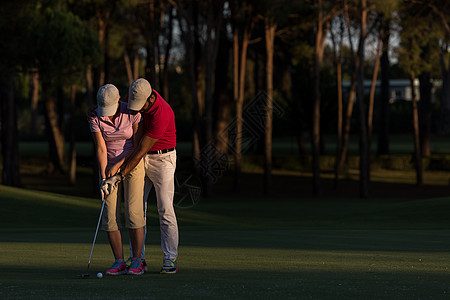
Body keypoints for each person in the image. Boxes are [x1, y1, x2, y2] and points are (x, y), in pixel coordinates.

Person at [102, 78, 178, 274]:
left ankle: (170, 259)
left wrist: (119, 175)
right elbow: (117, 106)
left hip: (163, 160)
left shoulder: (163, 113)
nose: (136, 110)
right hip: (142, 159)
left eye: (140, 106)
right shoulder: (135, 98)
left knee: (165, 210)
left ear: (150, 98)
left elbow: (140, 148)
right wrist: (97, 108)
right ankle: (138, 259)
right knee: (136, 210)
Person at [89, 84, 146, 276]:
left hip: (132, 165)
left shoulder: (132, 112)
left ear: (119, 99)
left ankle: (137, 261)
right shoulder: (95, 115)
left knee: (133, 213)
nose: (107, 114)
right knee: (109, 217)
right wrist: (104, 175)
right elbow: (101, 148)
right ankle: (119, 261)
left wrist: (118, 166)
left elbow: (138, 146)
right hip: (108, 167)